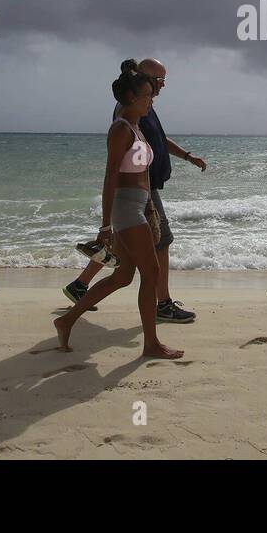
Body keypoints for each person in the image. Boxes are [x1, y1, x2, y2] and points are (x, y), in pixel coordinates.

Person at [54, 62, 182, 359]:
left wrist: (149, 203)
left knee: (123, 277)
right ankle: (151, 344)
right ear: (131, 98)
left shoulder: (137, 126)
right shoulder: (121, 129)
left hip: (139, 206)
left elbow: (141, 174)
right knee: (150, 273)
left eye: (152, 95)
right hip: (125, 210)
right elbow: (111, 176)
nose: (152, 100)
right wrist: (105, 226)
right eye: (147, 96)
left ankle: (66, 320)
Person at [63, 58, 206, 323]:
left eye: (163, 81)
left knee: (124, 251)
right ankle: (163, 304)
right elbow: (116, 165)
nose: (162, 86)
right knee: (160, 243)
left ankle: (80, 286)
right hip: (141, 191)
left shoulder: (146, 107)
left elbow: (159, 140)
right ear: (144, 78)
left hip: (143, 191)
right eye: (159, 80)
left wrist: (187, 156)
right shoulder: (128, 111)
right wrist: (107, 221)